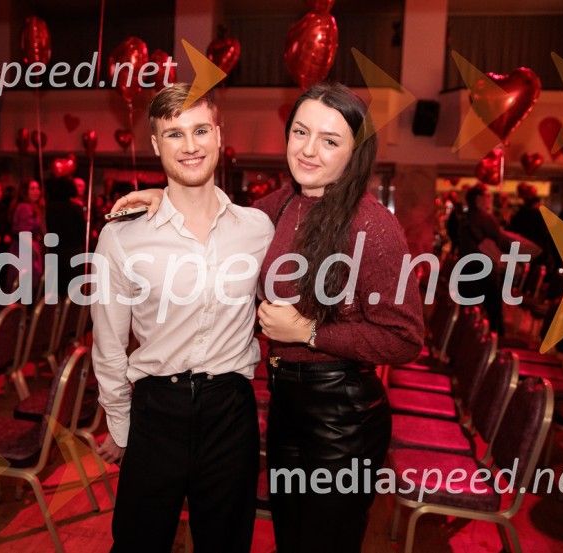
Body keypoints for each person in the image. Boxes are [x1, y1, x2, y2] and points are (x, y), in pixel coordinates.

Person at [111, 82, 424, 552]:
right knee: (289, 539)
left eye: (330, 140)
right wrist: (164, 194)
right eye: (301, 132)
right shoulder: (279, 208)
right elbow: (214, 219)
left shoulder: (371, 223)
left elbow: (405, 338)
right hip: (285, 408)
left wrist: (310, 332)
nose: (310, 150)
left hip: (343, 419)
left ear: (355, 151)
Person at [91, 83, 275, 552]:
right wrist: (120, 424)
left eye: (200, 131)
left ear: (218, 135)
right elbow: (108, 344)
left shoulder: (258, 227)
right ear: (155, 145)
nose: (190, 145)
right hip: (156, 411)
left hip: (231, 411)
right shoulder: (122, 238)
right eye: (174, 135)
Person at [457, 183, 509, 335]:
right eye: (487, 196)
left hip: (465, 268)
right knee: (494, 312)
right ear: (479, 198)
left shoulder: (464, 218)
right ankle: (494, 345)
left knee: (466, 312)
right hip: (484, 269)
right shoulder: (486, 219)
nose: (490, 199)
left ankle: (462, 346)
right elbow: (500, 242)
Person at [8, 180, 45, 292]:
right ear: (25, 191)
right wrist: (34, 250)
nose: (36, 192)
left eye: (38, 188)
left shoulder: (32, 206)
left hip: (28, 247)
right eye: (32, 189)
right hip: (25, 250)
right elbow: (23, 232)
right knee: (26, 285)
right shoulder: (25, 207)